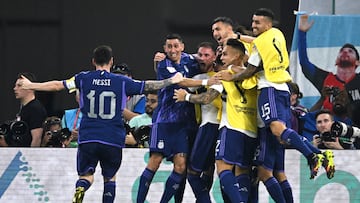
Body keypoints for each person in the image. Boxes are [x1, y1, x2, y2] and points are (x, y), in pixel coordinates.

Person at [18, 45, 184, 203]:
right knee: (109, 178)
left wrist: (31, 85)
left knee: (86, 176)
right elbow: (148, 86)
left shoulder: (82, 78)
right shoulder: (121, 81)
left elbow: (56, 85)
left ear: (93, 61)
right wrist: (171, 80)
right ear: (111, 61)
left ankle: (81, 187)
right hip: (112, 137)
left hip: (88, 136)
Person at [218, 8, 335, 202]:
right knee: (276, 169)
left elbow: (249, 72)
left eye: (257, 23)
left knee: (273, 137)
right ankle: (319, 154)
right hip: (282, 87)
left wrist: (231, 77)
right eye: (252, 22)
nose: (254, 25)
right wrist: (237, 36)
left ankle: (312, 156)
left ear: (268, 24)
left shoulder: (254, 52)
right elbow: (257, 43)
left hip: (268, 91)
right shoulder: (277, 35)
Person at [175, 39, 258, 202]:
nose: (223, 57)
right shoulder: (254, 76)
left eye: (226, 54)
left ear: (237, 56)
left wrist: (187, 96)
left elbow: (207, 97)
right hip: (251, 130)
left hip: (231, 126)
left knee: (222, 169)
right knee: (242, 171)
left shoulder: (224, 76)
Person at [136, 33, 202, 203]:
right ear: (164, 49)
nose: (173, 50)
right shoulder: (163, 65)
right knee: (155, 162)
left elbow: (201, 58)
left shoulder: (190, 60)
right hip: (164, 121)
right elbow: (180, 82)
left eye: (175, 46)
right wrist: (208, 83)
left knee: (180, 167)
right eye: (169, 47)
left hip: (184, 123)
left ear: (182, 46)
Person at [298, 14, 360, 113]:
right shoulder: (325, 79)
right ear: (336, 60)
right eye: (342, 51)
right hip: (330, 125)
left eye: (350, 51)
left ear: (358, 62)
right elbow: (304, 63)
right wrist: (302, 33)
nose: (345, 52)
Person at [0, 72, 47, 147]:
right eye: (15, 86)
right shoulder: (24, 108)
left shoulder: (35, 108)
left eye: (19, 86)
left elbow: (37, 138)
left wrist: (32, 157)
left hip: (27, 155)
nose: (15, 89)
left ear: (30, 87)